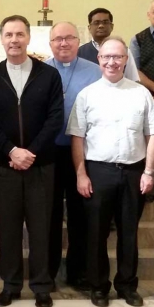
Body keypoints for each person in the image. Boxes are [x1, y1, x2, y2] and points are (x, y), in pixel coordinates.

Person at [67, 36, 154, 307]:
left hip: (134, 171)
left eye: (117, 57)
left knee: (129, 233)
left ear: (125, 60)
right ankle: (99, 286)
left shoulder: (140, 93)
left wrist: (150, 172)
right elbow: (78, 137)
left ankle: (126, 285)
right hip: (98, 171)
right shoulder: (87, 95)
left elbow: (153, 133)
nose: (112, 61)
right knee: (96, 233)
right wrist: (81, 174)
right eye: (106, 57)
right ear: (99, 60)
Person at [0, 15, 63, 307]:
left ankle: (41, 285)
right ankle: (11, 285)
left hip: (41, 166)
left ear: (28, 38)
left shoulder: (48, 75)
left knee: (41, 228)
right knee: (9, 228)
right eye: (8, 35)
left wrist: (30, 153)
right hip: (5, 167)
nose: (14, 40)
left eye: (19, 34)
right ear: (1, 39)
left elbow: (56, 118)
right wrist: (12, 151)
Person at [44, 22, 101, 291]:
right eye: (58, 39)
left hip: (84, 153)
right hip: (49, 153)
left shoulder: (95, 72)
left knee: (80, 215)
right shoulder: (40, 71)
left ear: (79, 41)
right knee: (49, 214)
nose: (63, 43)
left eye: (69, 38)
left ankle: (78, 272)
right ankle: (49, 271)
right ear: (50, 43)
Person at [78, 8, 139, 82]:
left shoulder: (124, 51)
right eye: (96, 23)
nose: (101, 26)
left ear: (112, 26)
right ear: (89, 28)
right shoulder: (80, 52)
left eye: (105, 22)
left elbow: (133, 79)